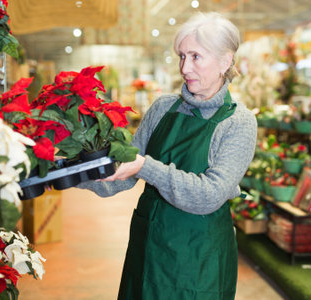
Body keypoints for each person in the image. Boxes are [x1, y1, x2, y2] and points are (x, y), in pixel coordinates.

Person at [77, 12, 257, 300]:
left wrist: (146, 167)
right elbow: (123, 177)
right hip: (149, 249)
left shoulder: (238, 123)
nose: (185, 67)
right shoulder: (162, 109)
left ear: (225, 61)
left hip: (199, 257)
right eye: (182, 56)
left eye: (196, 56)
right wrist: (69, 171)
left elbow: (209, 195)